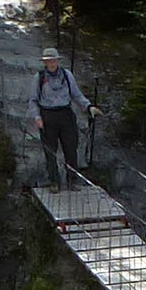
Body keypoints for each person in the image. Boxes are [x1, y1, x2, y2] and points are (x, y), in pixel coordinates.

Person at [28, 46, 98, 187]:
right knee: (50, 151)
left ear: (57, 61)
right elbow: (33, 100)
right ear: (45, 62)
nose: (51, 63)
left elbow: (76, 95)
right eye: (48, 61)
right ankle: (54, 182)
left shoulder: (67, 75)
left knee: (71, 149)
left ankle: (72, 180)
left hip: (66, 114)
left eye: (53, 60)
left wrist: (88, 106)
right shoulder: (39, 77)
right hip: (47, 115)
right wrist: (37, 117)